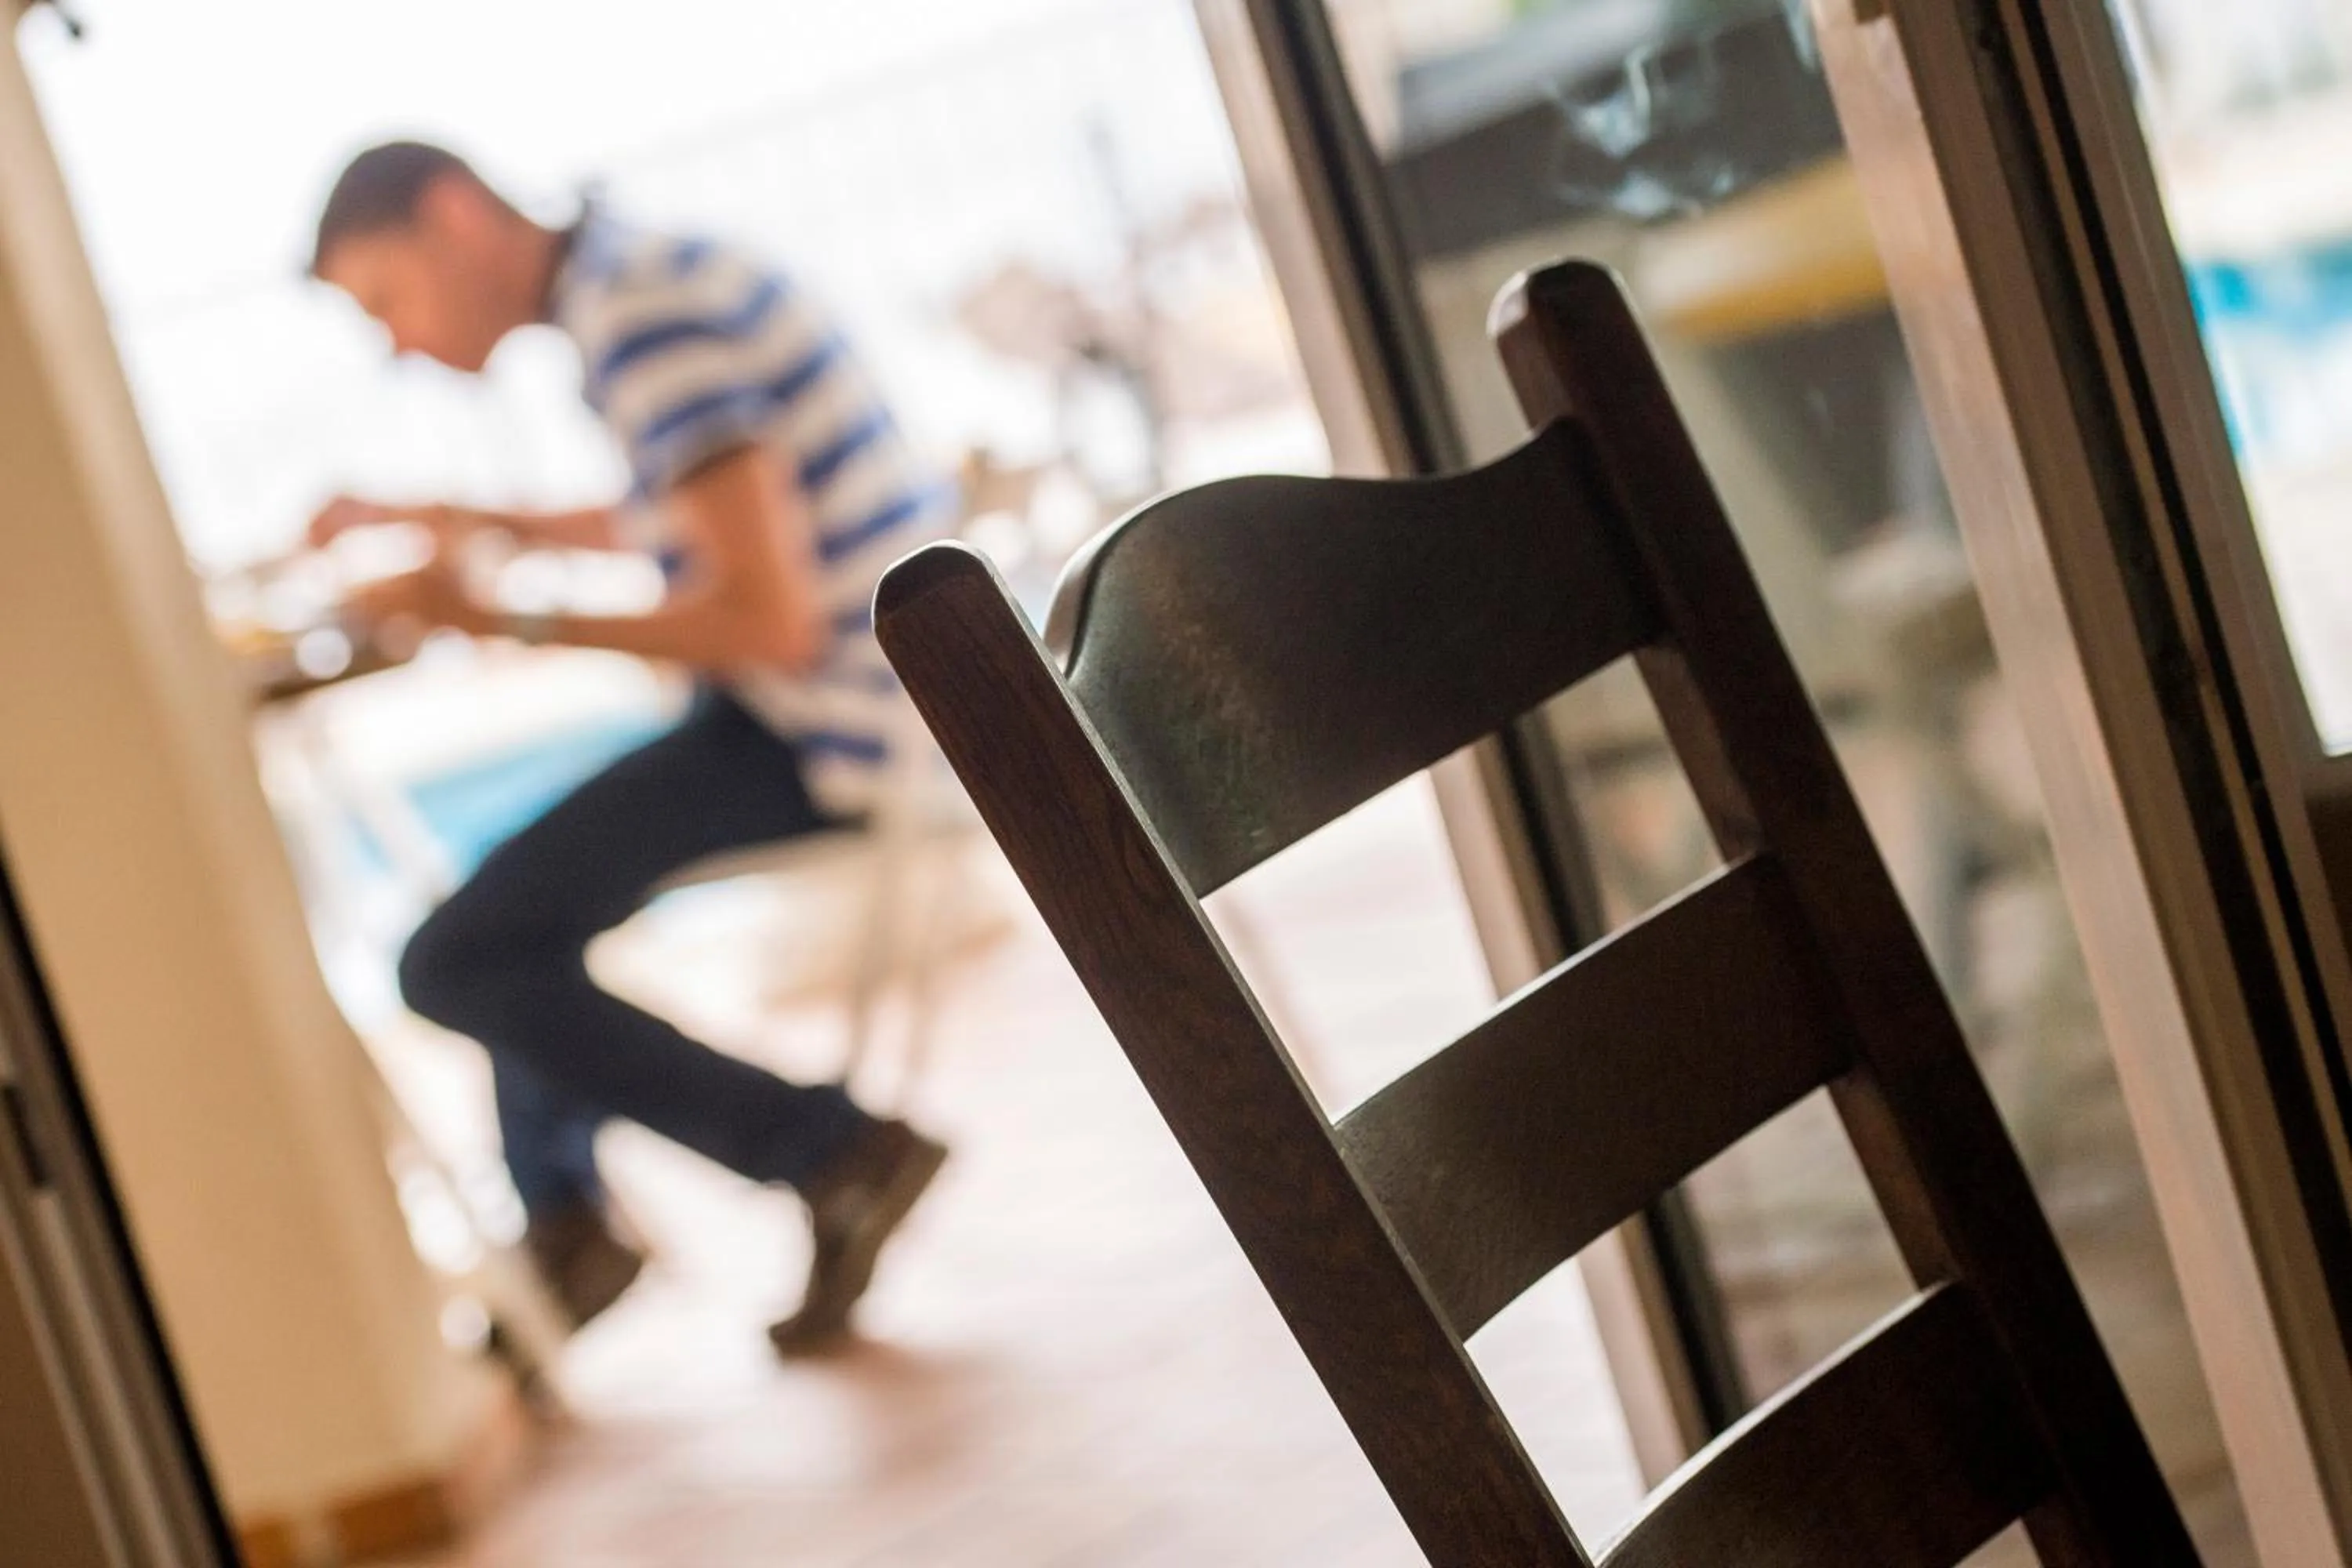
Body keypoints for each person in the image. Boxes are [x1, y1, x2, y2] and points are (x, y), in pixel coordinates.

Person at [305, 141, 952, 1357]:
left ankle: (830, 1153)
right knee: (502, 914)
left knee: (453, 959)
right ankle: (568, 1220)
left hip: (840, 722)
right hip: (854, 696)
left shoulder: (645, 314)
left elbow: (761, 617)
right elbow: (680, 511)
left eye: (386, 299)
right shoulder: (640, 285)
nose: (396, 342)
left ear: (454, 217)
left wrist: (493, 614)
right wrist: (463, 524)